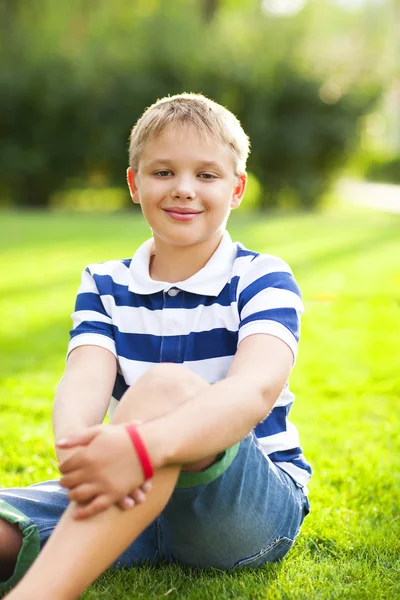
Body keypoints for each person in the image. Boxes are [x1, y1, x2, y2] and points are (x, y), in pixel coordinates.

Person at [0, 93, 311, 600]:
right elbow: (84, 378)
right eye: (163, 172)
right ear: (134, 183)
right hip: (131, 494)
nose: (184, 190)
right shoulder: (103, 283)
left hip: (241, 509)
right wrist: (80, 453)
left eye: (206, 176)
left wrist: (146, 447)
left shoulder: (261, 276)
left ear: (236, 189)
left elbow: (253, 391)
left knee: (164, 387)